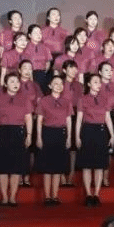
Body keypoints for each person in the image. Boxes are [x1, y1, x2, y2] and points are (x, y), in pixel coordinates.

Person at [0, 74, 33, 207]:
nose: (15, 84)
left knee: (16, 167)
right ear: (6, 84)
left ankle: (13, 197)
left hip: (19, 132)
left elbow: (28, 118)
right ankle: (4, 197)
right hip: (3, 132)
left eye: (17, 82)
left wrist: (29, 135)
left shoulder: (25, 99)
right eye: (12, 81)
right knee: (2, 166)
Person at [76, 73, 114, 206]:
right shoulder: (83, 99)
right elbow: (79, 119)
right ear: (89, 84)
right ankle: (88, 194)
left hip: (101, 131)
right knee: (87, 165)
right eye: (95, 82)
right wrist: (77, 136)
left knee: (99, 165)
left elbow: (107, 118)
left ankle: (96, 194)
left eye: (99, 82)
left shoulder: (104, 99)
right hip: (87, 131)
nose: (98, 84)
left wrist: (112, 134)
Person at [34, 75, 74, 206]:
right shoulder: (44, 101)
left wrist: (69, 137)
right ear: (50, 86)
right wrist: (39, 137)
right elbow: (39, 120)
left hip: (61, 134)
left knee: (58, 167)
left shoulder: (66, 101)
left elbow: (68, 120)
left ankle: (55, 196)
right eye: (55, 83)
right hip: (47, 133)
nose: (59, 86)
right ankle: (47, 197)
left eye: (61, 84)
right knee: (47, 168)